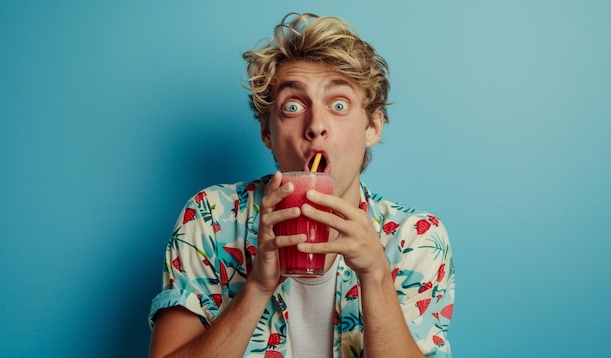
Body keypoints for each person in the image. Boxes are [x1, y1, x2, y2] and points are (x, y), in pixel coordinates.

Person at [148, 12, 455, 358]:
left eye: (339, 105)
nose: (316, 126)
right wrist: (257, 287)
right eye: (293, 106)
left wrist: (376, 278)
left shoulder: (416, 238)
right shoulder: (210, 218)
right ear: (267, 132)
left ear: (373, 127)